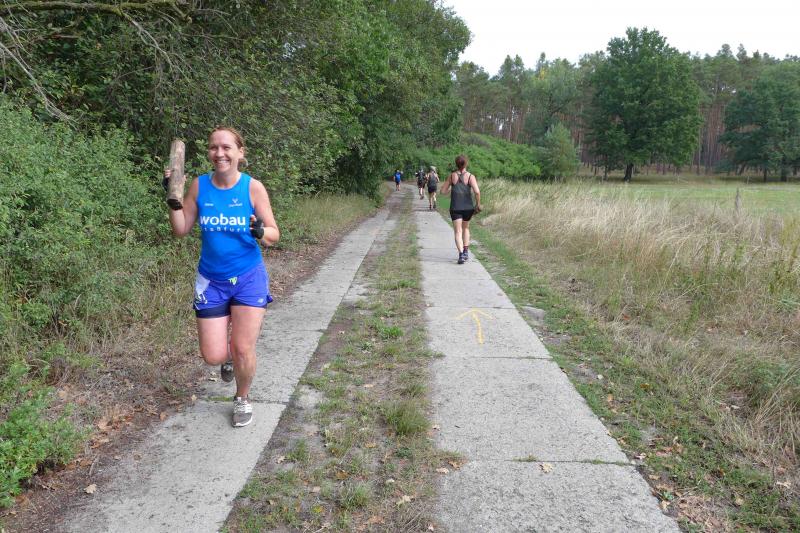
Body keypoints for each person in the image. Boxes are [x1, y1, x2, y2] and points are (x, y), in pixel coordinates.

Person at [164, 126, 279, 427]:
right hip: (211, 281)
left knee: (243, 347)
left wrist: (259, 231)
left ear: (240, 152)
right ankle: (229, 359)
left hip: (248, 277)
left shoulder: (253, 188)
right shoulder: (200, 186)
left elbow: (273, 234)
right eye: (214, 147)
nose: (219, 153)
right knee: (213, 356)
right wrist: (172, 199)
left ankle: (242, 397)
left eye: (226, 147)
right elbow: (181, 229)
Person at [439, 155, 482, 264]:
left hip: (455, 207)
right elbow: (477, 192)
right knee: (466, 228)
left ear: (456, 164)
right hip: (468, 207)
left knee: (458, 231)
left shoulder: (452, 176)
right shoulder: (471, 176)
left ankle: (461, 254)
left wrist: (451, 189)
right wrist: (478, 204)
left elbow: (442, 191)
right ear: (466, 163)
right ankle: (466, 251)